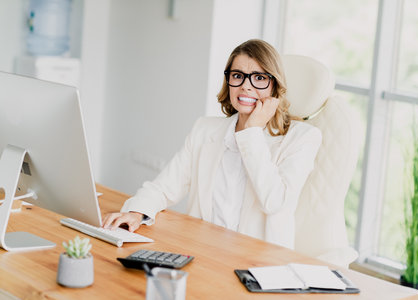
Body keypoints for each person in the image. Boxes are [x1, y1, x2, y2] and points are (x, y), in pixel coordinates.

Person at [102, 39, 322, 249]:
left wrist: (252, 131)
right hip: (205, 252)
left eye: (259, 78)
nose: (246, 86)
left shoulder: (303, 138)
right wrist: (136, 213)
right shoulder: (205, 129)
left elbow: (273, 202)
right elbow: (165, 187)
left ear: (275, 86)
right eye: (238, 76)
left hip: (258, 266)